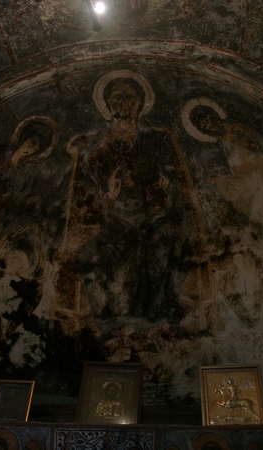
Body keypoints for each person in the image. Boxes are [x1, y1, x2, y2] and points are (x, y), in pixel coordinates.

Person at [57, 71, 195, 324]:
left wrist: (166, 187)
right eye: (116, 98)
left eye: (130, 97)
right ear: (107, 106)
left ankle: (152, 311)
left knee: (157, 246)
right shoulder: (97, 151)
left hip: (155, 219)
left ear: (141, 103)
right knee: (87, 255)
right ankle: (105, 319)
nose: (123, 104)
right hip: (116, 224)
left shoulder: (157, 139)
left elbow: (179, 190)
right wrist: (110, 193)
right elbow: (90, 204)